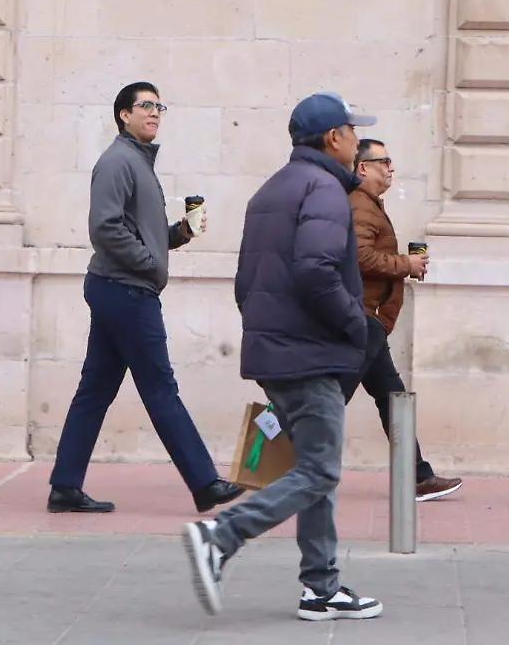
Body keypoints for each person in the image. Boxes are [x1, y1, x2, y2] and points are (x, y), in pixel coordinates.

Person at [183, 92, 384, 621]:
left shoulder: (272, 189)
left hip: (278, 349)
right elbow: (316, 270)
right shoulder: (324, 190)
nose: (359, 141)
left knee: (313, 466)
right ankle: (220, 536)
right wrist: (354, 323)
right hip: (311, 353)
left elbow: (245, 282)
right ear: (333, 138)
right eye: (351, 131)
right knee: (319, 471)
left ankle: (321, 587)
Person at [47, 81, 244, 515]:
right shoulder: (118, 161)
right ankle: (204, 482)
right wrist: (150, 263)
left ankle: (65, 486)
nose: (154, 113)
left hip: (119, 286)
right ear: (123, 114)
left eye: (159, 106)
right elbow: (106, 228)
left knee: (94, 390)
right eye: (145, 106)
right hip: (126, 291)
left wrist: (178, 234)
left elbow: (138, 232)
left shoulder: (138, 162)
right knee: (160, 387)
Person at [344, 139, 462, 502]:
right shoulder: (360, 206)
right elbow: (360, 257)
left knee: (392, 397)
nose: (391, 168)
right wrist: (404, 265)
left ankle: (418, 476)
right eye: (384, 161)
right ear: (363, 168)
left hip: (372, 320)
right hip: (363, 318)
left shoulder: (370, 206)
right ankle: (267, 458)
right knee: (328, 398)